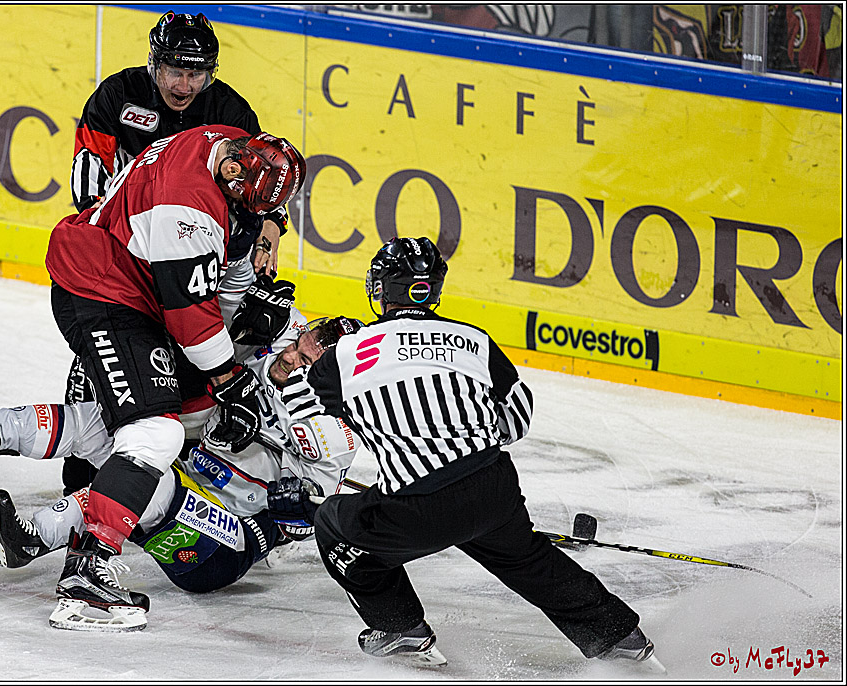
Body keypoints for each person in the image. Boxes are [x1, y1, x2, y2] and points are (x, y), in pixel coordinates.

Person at [268, 237, 663, 670]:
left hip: (416, 507)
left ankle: (400, 628)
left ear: (381, 290)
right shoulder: (474, 340)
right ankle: (618, 637)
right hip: (492, 485)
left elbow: (321, 432)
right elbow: (517, 419)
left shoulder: (342, 356)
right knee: (526, 558)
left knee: (332, 523)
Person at [0, 308, 362, 631]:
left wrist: (295, 508)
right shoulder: (269, 346)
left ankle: (35, 540)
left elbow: (319, 516)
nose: (292, 356)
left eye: (305, 361)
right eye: (300, 343)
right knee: (110, 429)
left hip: (227, 543)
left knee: (142, 487)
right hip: (189, 479)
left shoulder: (330, 429)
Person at [30, 124, 305, 630]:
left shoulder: (222, 140)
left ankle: (2, 450)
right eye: (248, 201)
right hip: (102, 290)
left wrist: (238, 302)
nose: (251, 214)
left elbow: (225, 278)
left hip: (117, 282)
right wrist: (232, 379)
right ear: (231, 168)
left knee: (156, 425)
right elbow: (191, 323)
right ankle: (86, 580)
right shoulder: (188, 209)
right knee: (155, 432)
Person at [63, 11, 293, 494]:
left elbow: (262, 184)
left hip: (193, 253)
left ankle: (171, 481)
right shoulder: (117, 96)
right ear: (155, 65)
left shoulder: (231, 112)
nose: (185, 85)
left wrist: (268, 232)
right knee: (107, 363)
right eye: (175, 71)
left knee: (192, 355)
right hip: (126, 257)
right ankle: (84, 482)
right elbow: (89, 190)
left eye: (196, 74)